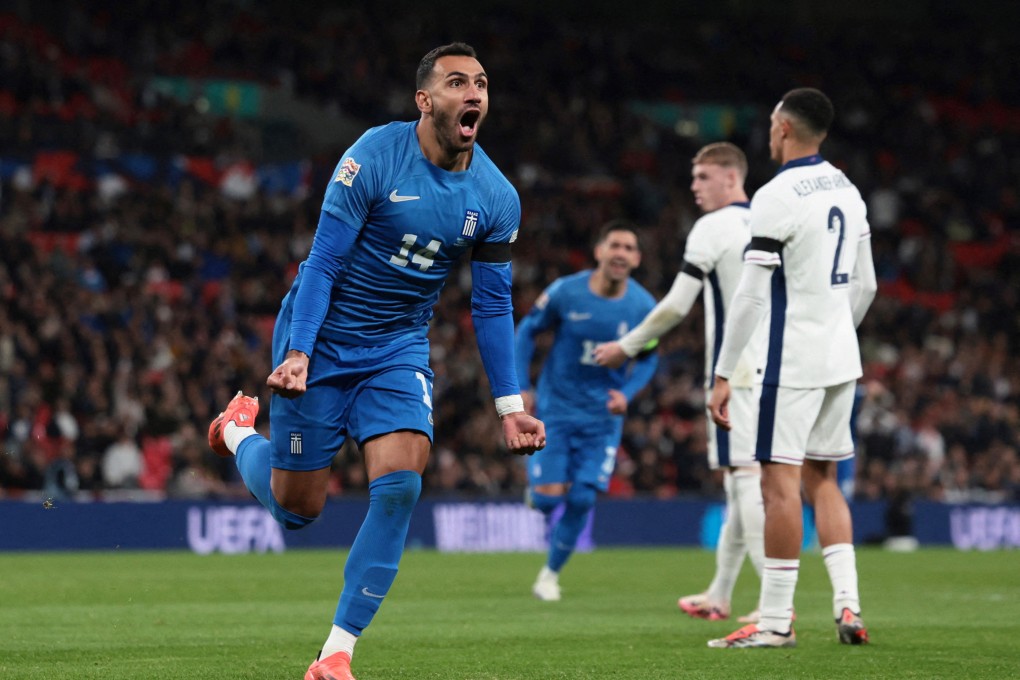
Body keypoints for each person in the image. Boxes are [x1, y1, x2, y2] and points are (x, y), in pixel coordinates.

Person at [207, 42, 546, 680]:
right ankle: (235, 431)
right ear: (425, 101)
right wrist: (300, 351)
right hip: (324, 335)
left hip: (397, 347)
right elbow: (324, 262)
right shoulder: (372, 157)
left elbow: (494, 307)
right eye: (455, 83)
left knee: (400, 485)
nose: (472, 93)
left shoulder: (497, 197)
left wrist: (511, 405)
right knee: (296, 509)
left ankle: (336, 652)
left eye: (480, 83)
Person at [706, 88, 877, 648]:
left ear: (781, 127)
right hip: (840, 357)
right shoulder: (848, 189)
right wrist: (835, 333)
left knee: (778, 486)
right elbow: (867, 285)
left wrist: (724, 372)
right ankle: (848, 604)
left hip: (791, 358)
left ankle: (776, 622)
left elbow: (752, 297)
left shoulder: (777, 194)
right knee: (824, 480)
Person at [593, 142, 765, 623]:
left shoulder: (714, 227)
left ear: (731, 178)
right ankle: (720, 593)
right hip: (781, 367)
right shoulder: (770, 221)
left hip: (743, 373)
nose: (693, 187)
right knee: (739, 484)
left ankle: (776, 602)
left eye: (703, 177)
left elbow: (675, 305)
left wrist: (627, 346)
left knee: (747, 480)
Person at [516, 220, 658, 601]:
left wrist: (627, 392)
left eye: (629, 248)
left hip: (602, 418)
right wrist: (521, 388)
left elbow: (648, 357)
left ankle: (549, 575)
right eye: (615, 245)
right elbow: (527, 332)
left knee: (582, 499)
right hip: (557, 410)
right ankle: (538, 493)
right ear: (599, 251)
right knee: (547, 500)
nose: (620, 253)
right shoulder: (566, 292)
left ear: (637, 259)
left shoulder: (644, 307)